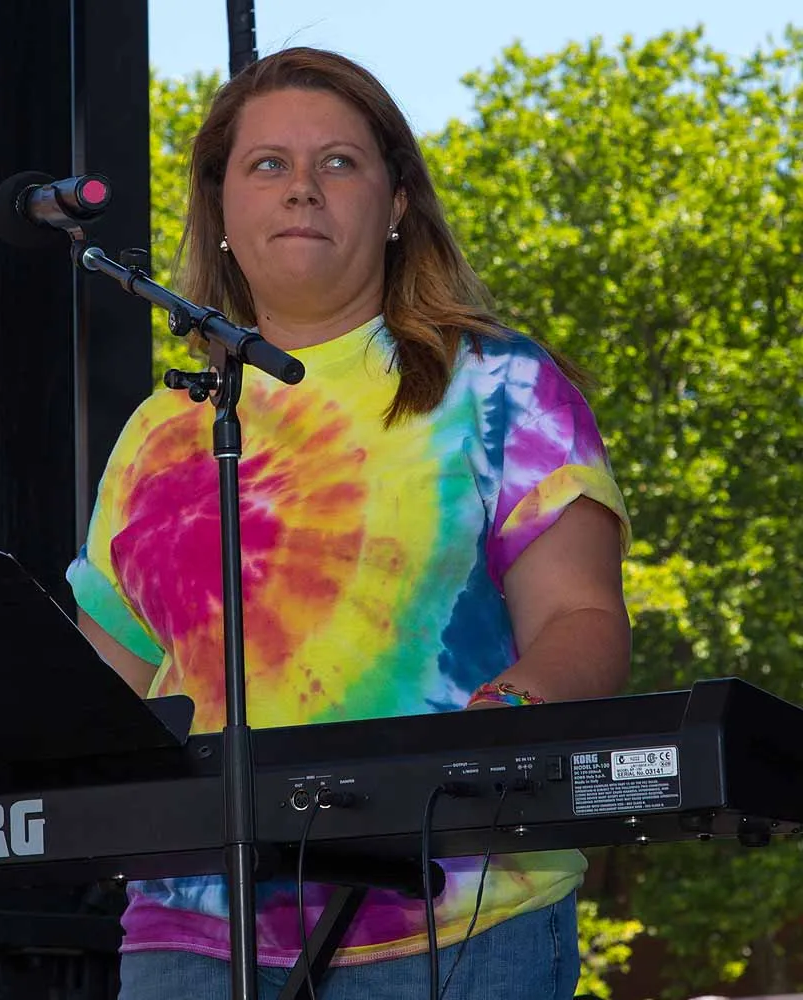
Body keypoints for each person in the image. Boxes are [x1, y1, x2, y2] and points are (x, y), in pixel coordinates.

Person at [67, 46, 631, 1000]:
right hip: (189, 934)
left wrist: (491, 730)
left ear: (397, 204)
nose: (302, 188)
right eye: (268, 164)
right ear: (222, 211)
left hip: (457, 919)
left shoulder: (498, 384)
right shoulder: (161, 429)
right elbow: (105, 691)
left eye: (338, 161)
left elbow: (582, 619)